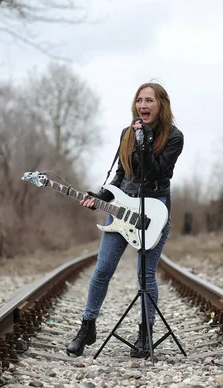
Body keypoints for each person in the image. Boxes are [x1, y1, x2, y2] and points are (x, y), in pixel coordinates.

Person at [66, 82, 184, 358]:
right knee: (102, 269)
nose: (143, 105)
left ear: (161, 105)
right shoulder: (127, 134)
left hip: (153, 212)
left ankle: (146, 333)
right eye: (139, 100)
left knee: (145, 275)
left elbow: (154, 173)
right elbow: (121, 176)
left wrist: (144, 143)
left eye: (149, 101)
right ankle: (87, 327)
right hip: (121, 211)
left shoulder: (174, 137)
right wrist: (99, 195)